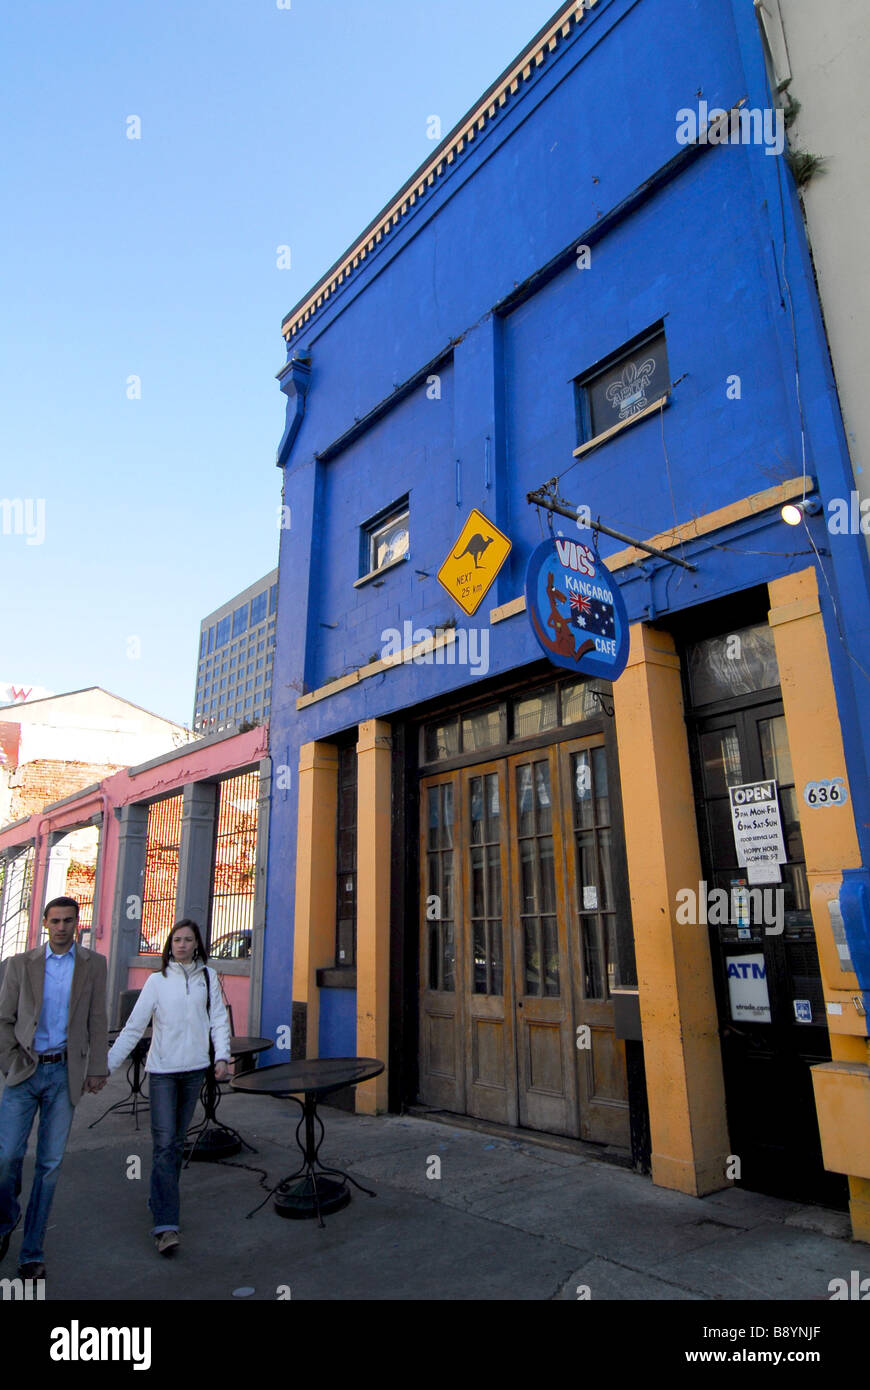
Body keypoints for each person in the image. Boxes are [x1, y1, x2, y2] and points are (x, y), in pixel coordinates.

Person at [0, 896, 108, 1280]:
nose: (62, 927)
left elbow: (98, 1017)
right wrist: (9, 1061)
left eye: (68, 921)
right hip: (24, 1072)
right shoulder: (19, 965)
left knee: (49, 1165)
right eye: (55, 920)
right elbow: (3, 1018)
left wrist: (97, 1067)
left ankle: (31, 1251)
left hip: (64, 1074)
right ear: (44, 923)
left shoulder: (94, 965)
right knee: (6, 1157)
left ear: (78, 923)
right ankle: (5, 1217)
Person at [108, 918, 231, 1255]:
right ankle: (166, 1225)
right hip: (163, 1073)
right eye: (176, 939)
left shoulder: (209, 978)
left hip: (195, 1072)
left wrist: (222, 1057)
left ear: (197, 944)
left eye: (188, 939)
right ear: (169, 944)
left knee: (176, 1143)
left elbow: (218, 1020)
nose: (181, 944)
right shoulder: (156, 981)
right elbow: (134, 1027)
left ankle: (160, 1196)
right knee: (164, 1144)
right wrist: (106, 1066)